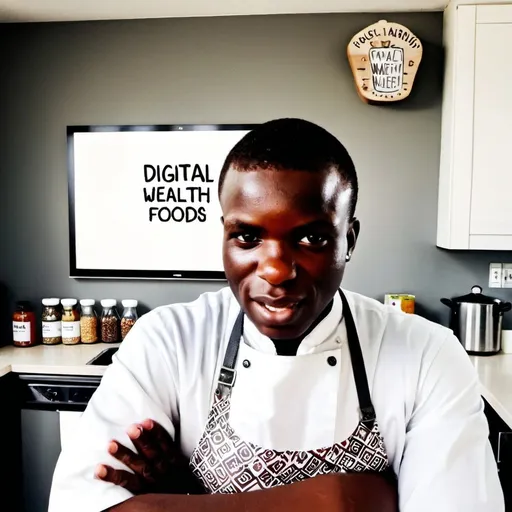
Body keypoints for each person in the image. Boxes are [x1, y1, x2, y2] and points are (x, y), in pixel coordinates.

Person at [49, 118, 503, 512]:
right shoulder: (168, 340)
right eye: (247, 237)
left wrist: (181, 503)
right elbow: (79, 506)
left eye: (311, 239)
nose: (275, 270)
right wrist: (346, 501)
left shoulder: (426, 355)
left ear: (350, 238)